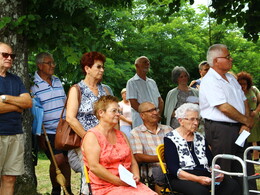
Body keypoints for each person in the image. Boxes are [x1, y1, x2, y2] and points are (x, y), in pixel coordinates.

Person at [199, 44, 256, 193]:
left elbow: (243, 100)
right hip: (220, 129)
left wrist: (246, 124)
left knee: (245, 164)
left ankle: (247, 192)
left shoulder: (231, 77)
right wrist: (245, 120)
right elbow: (223, 107)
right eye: (228, 56)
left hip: (240, 127)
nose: (231, 59)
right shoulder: (209, 80)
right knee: (224, 169)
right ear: (217, 60)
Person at [81, 95, 157, 195]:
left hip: (128, 184)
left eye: (119, 111)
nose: (118, 114)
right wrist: (119, 182)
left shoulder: (122, 135)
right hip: (105, 187)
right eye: (114, 111)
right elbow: (94, 167)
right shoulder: (92, 136)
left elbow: (133, 161)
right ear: (101, 113)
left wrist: (136, 175)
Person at [164, 103, 240, 195]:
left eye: (197, 119)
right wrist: (198, 179)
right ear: (181, 121)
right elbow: (173, 169)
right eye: (192, 119)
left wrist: (217, 173)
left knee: (232, 185)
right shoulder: (170, 138)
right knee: (200, 191)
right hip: (182, 177)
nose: (196, 123)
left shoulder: (200, 137)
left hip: (204, 174)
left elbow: (211, 161)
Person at [66, 51, 107, 195]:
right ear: (87, 69)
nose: (102, 70)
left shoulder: (104, 90)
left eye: (103, 67)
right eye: (98, 67)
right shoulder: (77, 89)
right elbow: (70, 118)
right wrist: (88, 138)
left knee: (105, 177)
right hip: (84, 141)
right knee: (89, 178)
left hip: (105, 141)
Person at [31, 52, 72, 195]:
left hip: (64, 129)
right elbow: (35, 112)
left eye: (53, 62)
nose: (53, 65)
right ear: (40, 65)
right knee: (57, 160)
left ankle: (68, 190)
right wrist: (39, 134)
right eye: (49, 63)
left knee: (66, 160)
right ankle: (56, 190)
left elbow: (64, 102)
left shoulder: (57, 80)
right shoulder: (33, 84)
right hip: (47, 131)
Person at [0, 42, 32, 195]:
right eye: (5, 55)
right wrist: (17, 106)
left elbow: (28, 102)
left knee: (9, 178)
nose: (9, 58)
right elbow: (21, 104)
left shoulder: (16, 80)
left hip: (15, 134)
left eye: (11, 55)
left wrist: (4, 98)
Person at [130, 102, 173, 195]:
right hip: (152, 168)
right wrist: (162, 159)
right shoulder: (136, 132)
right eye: (150, 111)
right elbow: (137, 157)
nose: (155, 112)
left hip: (173, 165)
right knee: (159, 170)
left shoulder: (168, 129)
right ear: (142, 115)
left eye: (155, 109)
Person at [126, 56, 164, 128]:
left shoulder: (152, 82)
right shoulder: (131, 82)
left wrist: (158, 115)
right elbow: (133, 103)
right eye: (145, 62)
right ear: (137, 66)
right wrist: (148, 116)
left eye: (148, 62)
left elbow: (160, 101)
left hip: (156, 120)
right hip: (141, 121)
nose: (147, 64)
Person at [237, 71, 260, 160]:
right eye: (240, 84)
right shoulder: (236, 93)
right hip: (243, 120)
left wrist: (256, 111)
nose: (243, 86)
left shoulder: (253, 89)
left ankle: (256, 158)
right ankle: (243, 158)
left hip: (255, 119)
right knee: (243, 139)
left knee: (255, 139)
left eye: (244, 83)